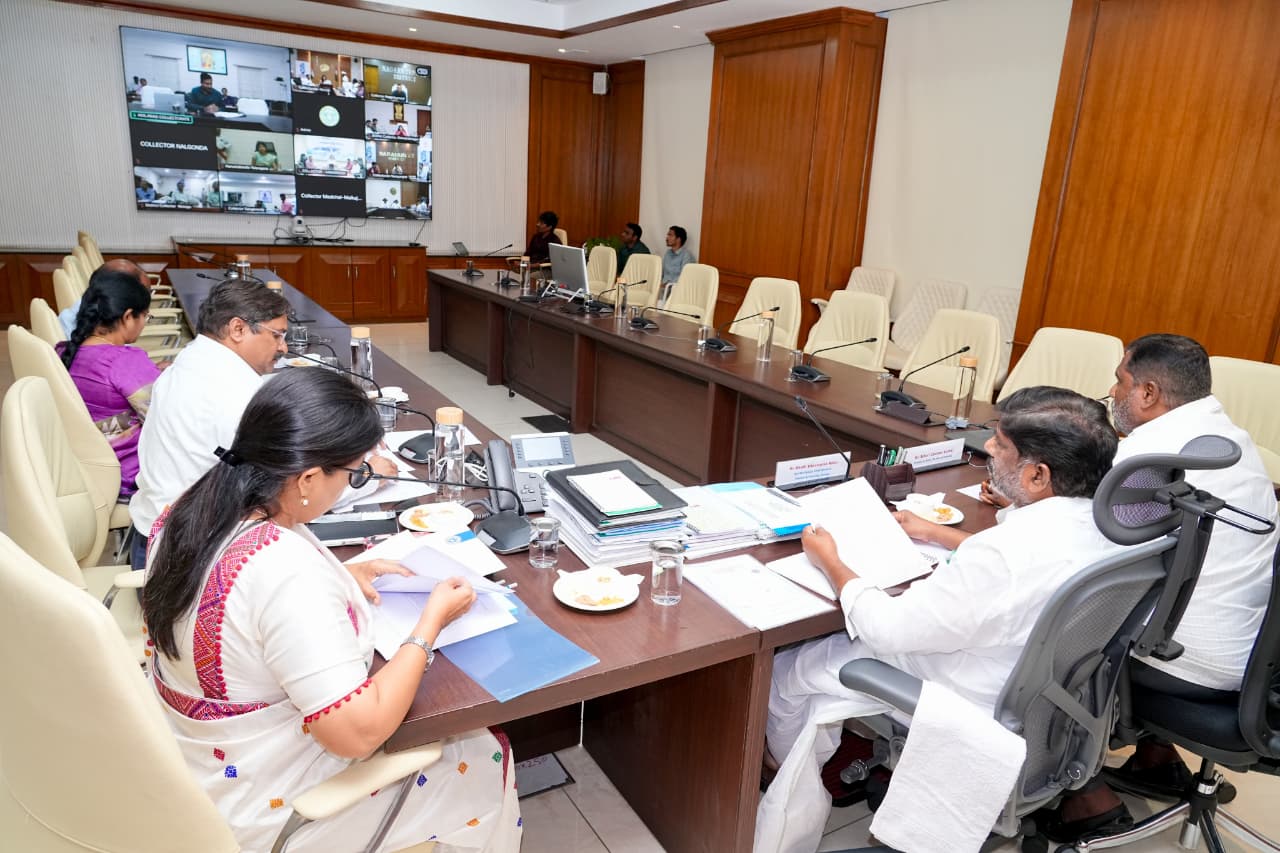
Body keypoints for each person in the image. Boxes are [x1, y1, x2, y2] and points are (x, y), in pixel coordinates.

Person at [143, 369, 521, 852]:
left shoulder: (191, 508)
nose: (349, 485)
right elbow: (356, 734)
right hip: (273, 801)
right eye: (352, 473)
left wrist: (344, 577)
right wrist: (430, 624)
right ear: (307, 478)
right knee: (483, 752)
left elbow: (236, 601)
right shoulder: (286, 575)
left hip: (193, 762)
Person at [758, 387, 1120, 852]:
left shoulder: (1004, 554)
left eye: (1000, 444)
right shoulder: (1108, 525)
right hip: (1045, 698)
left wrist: (830, 560)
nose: (988, 450)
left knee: (787, 672)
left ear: (1037, 475)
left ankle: (784, 779)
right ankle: (814, 760)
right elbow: (1025, 571)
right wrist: (937, 534)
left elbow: (886, 630)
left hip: (966, 694)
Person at [1032, 334, 1280, 841]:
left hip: (1190, 663)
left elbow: (1086, 548)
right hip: (1258, 658)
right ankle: (1155, 756)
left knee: (1051, 627)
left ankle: (1086, 795)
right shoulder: (1229, 438)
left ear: (1147, 393)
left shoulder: (1151, 453)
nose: (1112, 391)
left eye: (1120, 381)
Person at [56, 269, 161, 497]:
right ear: (128, 316)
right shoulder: (125, 361)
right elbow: (164, 419)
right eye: (145, 316)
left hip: (82, 465)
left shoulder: (62, 352)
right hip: (128, 472)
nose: (144, 324)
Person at [660, 225, 696, 300]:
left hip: (676, 290)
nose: (667, 238)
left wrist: (667, 284)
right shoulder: (668, 253)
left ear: (678, 239)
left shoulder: (686, 255)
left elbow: (684, 277)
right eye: (667, 235)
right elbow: (662, 273)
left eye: (670, 235)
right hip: (663, 289)